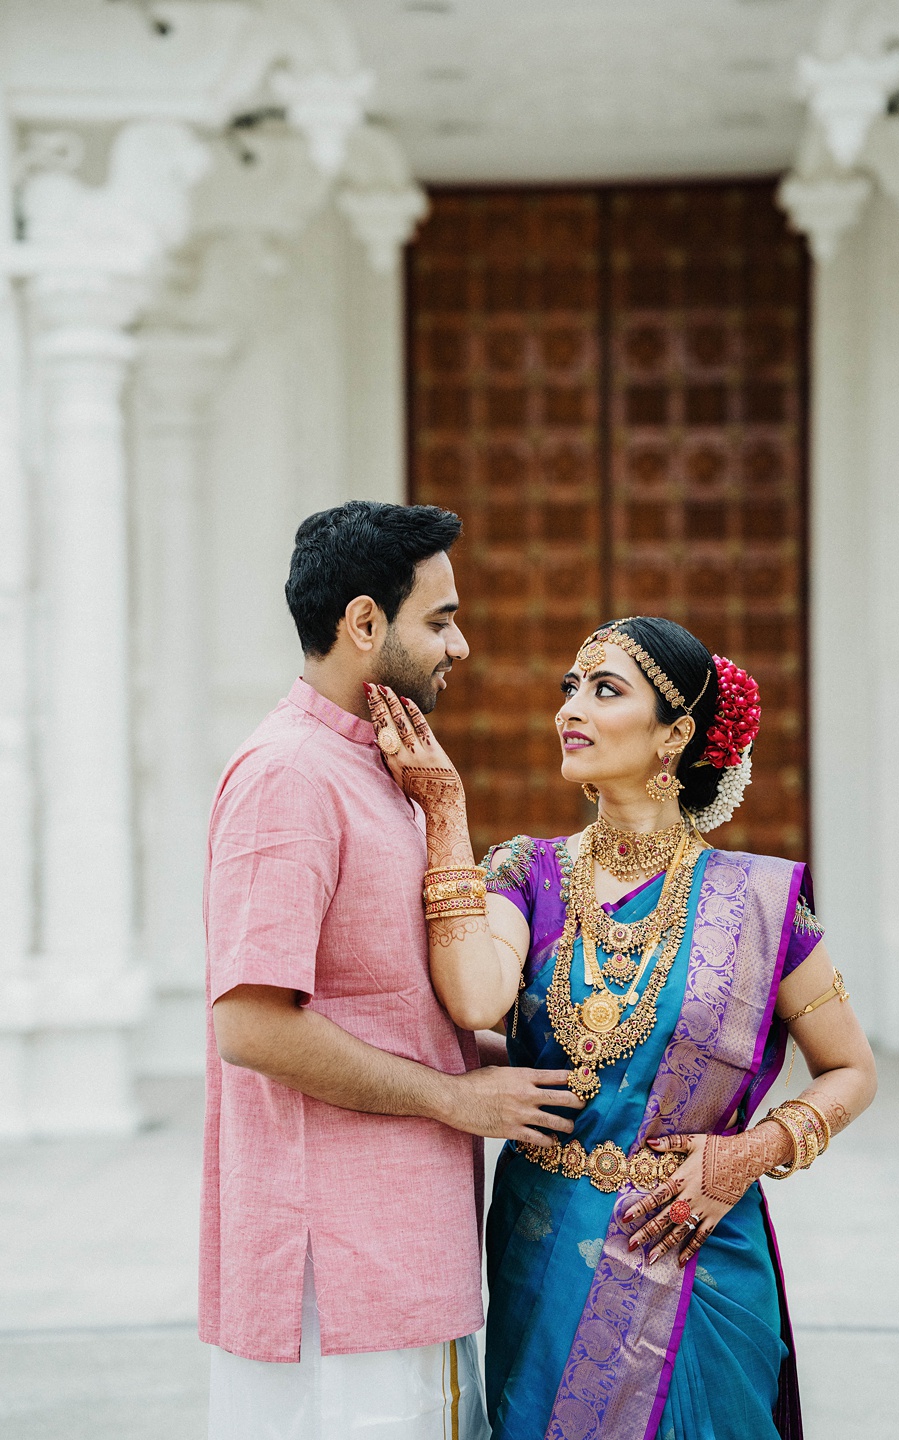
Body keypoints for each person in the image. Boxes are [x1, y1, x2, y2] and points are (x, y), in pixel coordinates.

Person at [365, 614, 877, 1440]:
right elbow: (471, 996)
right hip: (547, 1250)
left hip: (697, 1248)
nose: (572, 707)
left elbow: (852, 1069)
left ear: (675, 733)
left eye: (605, 690)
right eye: (571, 688)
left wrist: (752, 1152)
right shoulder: (524, 871)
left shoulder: (759, 901)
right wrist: (446, 812)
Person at [200, 500, 582, 1440]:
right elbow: (250, 1025)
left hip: (408, 1250)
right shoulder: (288, 776)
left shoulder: (383, 773)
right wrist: (458, 1099)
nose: (461, 644)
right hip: (339, 1272)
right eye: (440, 619)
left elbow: (391, 1006)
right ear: (364, 623)